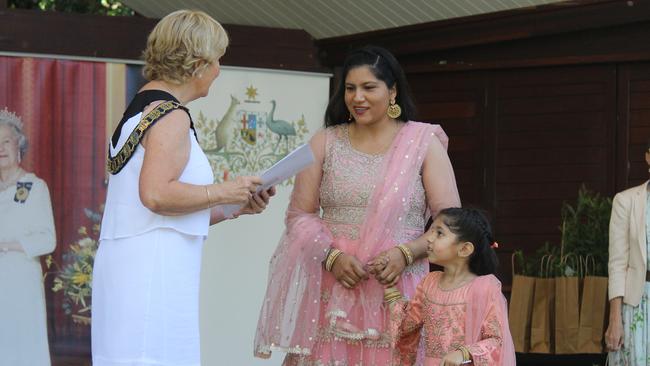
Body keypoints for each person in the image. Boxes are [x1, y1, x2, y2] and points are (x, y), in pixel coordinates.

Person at [255, 45, 460, 365]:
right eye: (350, 88)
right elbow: (299, 216)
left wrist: (406, 253)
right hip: (336, 288)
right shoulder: (326, 141)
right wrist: (331, 256)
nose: (357, 97)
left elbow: (450, 222)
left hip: (398, 288)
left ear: (392, 92)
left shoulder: (423, 143)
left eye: (369, 87)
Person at [91, 10, 274, 366]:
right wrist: (225, 190)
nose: (219, 69)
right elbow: (157, 195)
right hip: (153, 271)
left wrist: (236, 206)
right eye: (217, 59)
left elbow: (161, 207)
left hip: (138, 261)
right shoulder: (170, 115)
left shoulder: (142, 108)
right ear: (197, 62)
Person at [385, 207, 515, 366]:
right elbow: (407, 326)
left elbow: (497, 341)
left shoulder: (485, 287)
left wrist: (463, 353)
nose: (429, 239)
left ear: (464, 249)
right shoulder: (429, 283)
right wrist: (392, 295)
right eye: (431, 231)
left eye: (439, 233)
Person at [0, 107, 56, 366]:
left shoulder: (33, 186)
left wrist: (7, 245)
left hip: (20, 283)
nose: (1, 148)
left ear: (19, 146)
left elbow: (47, 239)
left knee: (22, 348)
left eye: (6, 141)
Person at [606, 139, 650, 365]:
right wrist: (615, 319)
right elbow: (617, 263)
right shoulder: (626, 201)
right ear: (648, 158)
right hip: (637, 303)